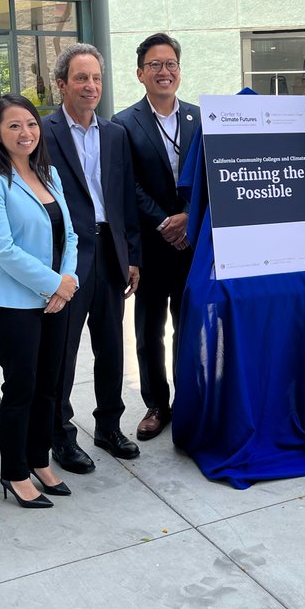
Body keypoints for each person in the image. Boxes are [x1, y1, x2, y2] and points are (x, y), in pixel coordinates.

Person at [0, 95, 79, 508]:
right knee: (22, 388)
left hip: (57, 297)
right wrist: (53, 284)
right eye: (13, 125)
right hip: (13, 303)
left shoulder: (49, 173)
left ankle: (40, 458)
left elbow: (68, 235)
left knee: (50, 386)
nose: (25, 133)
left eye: (30, 124)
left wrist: (66, 282)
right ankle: (14, 472)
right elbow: (3, 249)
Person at [43, 44, 143, 472]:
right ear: (61, 84)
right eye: (81, 78)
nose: (90, 86)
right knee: (63, 351)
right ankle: (61, 436)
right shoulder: (42, 132)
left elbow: (123, 201)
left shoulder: (115, 133)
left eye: (96, 78)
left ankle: (108, 426)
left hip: (110, 252)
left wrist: (132, 255)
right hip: (67, 257)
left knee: (111, 347)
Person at [113, 32, 199, 442]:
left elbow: (215, 177)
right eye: (155, 66)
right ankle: (155, 404)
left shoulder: (201, 118)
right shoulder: (123, 124)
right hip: (151, 243)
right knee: (149, 331)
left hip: (193, 244)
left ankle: (189, 401)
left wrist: (188, 217)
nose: (164, 72)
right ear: (140, 74)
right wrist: (166, 221)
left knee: (190, 326)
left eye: (171, 65)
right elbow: (126, 184)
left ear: (179, 71)